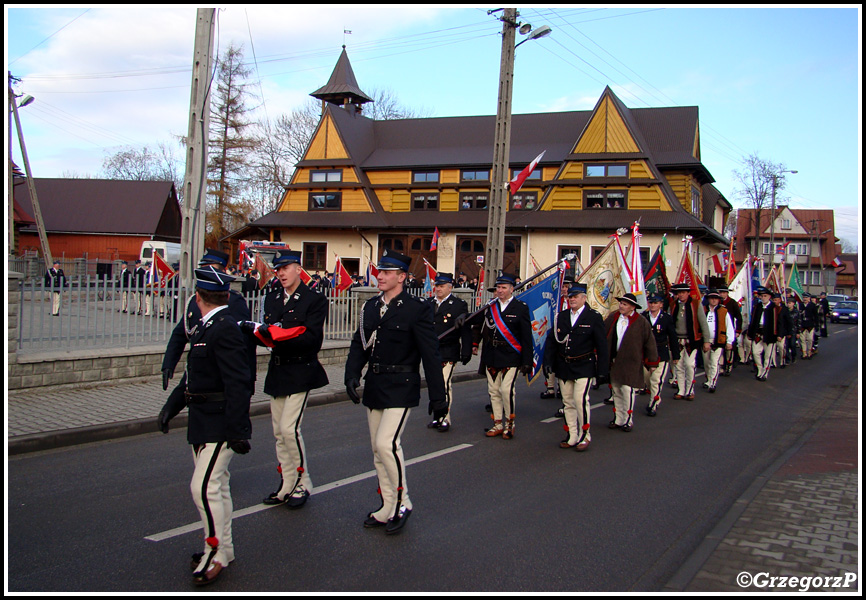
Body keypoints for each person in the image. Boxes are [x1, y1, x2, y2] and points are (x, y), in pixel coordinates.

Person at [157, 265, 252, 586]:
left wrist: (239, 430)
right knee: (217, 488)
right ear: (225, 295)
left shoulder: (223, 328)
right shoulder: (207, 327)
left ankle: (214, 552)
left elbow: (238, 382)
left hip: (219, 421)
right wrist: (172, 406)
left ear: (197, 297)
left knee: (203, 487)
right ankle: (223, 549)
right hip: (202, 419)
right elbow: (194, 376)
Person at [344, 249, 447, 535]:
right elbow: (359, 343)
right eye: (380, 271)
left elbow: (430, 353)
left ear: (401, 277)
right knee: (377, 450)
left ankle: (404, 502)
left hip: (402, 386)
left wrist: (439, 397)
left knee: (387, 444)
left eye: (387, 272)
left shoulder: (417, 308)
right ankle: (387, 505)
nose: (380, 276)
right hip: (376, 385)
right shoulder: (370, 307)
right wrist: (352, 374)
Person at [241, 250, 329, 508]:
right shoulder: (272, 298)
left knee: (290, 429)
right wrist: (257, 334)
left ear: (298, 268)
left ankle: (303, 482)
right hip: (278, 370)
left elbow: (312, 339)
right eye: (277, 268)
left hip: (302, 369)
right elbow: (268, 334)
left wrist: (277, 336)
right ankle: (287, 483)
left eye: (286, 267)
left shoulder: (313, 299)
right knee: (279, 432)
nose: (280, 273)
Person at [161, 249, 255, 426]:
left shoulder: (233, 302)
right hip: (201, 375)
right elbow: (180, 334)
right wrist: (168, 363)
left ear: (220, 272)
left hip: (223, 382)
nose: (202, 273)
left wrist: (244, 385)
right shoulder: (194, 301)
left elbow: (243, 344)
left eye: (207, 268)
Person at [543, 283, 609, 451]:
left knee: (580, 400)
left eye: (575, 296)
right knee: (568, 402)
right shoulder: (562, 317)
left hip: (584, 365)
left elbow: (602, 346)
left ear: (584, 298)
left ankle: (585, 434)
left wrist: (602, 371)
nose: (572, 299)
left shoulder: (593, 317)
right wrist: (548, 362)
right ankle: (572, 434)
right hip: (564, 366)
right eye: (570, 297)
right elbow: (552, 341)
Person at [469, 271, 533, 440]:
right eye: (498, 288)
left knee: (506, 390)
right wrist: (464, 319)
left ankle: (509, 423)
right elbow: (477, 323)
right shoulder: (490, 307)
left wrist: (527, 360)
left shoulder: (520, 308)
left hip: (511, 355)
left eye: (504, 287)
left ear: (512, 289)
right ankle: (497, 423)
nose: (500, 291)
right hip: (492, 354)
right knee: (494, 391)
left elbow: (527, 337)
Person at [603, 293, 658, 432]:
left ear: (632, 307)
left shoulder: (640, 322)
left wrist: (652, 362)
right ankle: (618, 418)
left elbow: (649, 342)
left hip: (631, 361)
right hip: (615, 360)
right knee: (616, 389)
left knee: (627, 389)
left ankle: (628, 419)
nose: (621, 306)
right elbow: (603, 333)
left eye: (625, 304)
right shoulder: (613, 317)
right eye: (621, 303)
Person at [425, 272, 472, 432]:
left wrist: (466, 350)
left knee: (444, 384)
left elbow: (465, 330)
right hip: (431, 351)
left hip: (448, 350)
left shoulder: (458, 305)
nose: (438, 288)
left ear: (450, 287)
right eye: (436, 285)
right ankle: (437, 416)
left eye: (441, 286)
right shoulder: (428, 304)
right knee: (434, 384)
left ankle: (445, 418)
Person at [669, 283, 711, 400]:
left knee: (689, 364)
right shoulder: (673, 305)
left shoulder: (696, 304)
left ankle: (690, 390)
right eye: (679, 293)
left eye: (683, 292)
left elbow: (703, 323)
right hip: (677, 339)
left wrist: (706, 340)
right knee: (679, 366)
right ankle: (681, 390)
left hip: (691, 340)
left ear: (688, 293)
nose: (681, 295)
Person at [641, 294, 679, 416]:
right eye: (651, 302)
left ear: (661, 304)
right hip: (646, 353)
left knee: (656, 380)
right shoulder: (643, 316)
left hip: (660, 352)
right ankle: (653, 395)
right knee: (647, 379)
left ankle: (653, 403)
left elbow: (672, 336)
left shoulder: (666, 318)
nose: (653, 305)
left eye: (655, 303)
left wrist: (676, 354)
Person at [746, 287, 783, 381]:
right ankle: (760, 369)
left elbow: (780, 323)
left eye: (765, 296)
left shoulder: (775, 308)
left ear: (769, 296)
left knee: (768, 355)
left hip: (770, 334)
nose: (763, 298)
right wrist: (750, 333)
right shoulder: (757, 307)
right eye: (761, 296)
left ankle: (765, 373)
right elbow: (753, 320)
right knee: (755, 352)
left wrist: (780, 334)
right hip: (758, 333)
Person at [702, 290, 735, 393]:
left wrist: (729, 341)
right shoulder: (703, 310)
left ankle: (713, 382)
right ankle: (708, 379)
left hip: (718, 340)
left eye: (715, 298)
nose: (713, 300)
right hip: (706, 341)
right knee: (706, 362)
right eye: (711, 298)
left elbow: (729, 326)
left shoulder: (723, 311)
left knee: (714, 362)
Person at [717, 287, 743, 375]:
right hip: (719, 328)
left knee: (729, 349)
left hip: (729, 327)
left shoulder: (732, 303)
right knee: (720, 349)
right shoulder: (717, 303)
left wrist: (738, 330)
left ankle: (728, 365)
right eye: (721, 293)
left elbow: (739, 317)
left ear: (727, 293)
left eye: (724, 293)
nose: (722, 294)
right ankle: (720, 366)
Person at [799, 293, 819, 359]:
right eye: (804, 297)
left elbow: (816, 316)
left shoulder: (812, 305)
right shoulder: (800, 305)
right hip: (802, 324)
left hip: (810, 324)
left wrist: (816, 325)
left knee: (810, 339)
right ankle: (804, 353)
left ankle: (809, 352)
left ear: (809, 298)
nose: (805, 299)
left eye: (806, 297)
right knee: (802, 339)